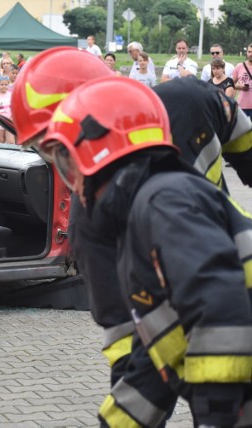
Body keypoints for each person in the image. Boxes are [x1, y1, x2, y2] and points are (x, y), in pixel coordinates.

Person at [37, 76, 252, 428]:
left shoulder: (162, 200)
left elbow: (218, 307)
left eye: (67, 160)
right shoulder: (138, 213)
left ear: (99, 153)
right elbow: (152, 356)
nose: (69, 181)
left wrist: (216, 415)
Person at [233, 43, 252, 117]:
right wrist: (239, 87)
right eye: (249, 52)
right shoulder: (239, 66)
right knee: (243, 128)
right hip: (242, 106)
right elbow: (229, 84)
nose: (250, 54)